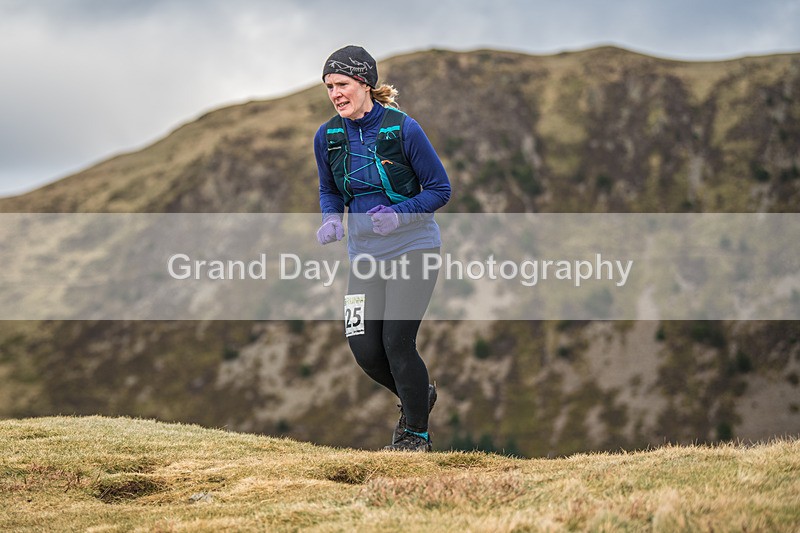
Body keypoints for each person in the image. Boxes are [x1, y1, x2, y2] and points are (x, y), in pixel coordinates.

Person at [314, 45, 451, 452]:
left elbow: (440, 189)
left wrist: (399, 215)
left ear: (365, 84)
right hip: (365, 257)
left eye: (342, 84)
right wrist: (331, 218)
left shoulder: (403, 129)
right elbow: (328, 189)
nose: (335, 94)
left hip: (414, 249)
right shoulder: (327, 136)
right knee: (364, 348)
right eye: (329, 87)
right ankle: (418, 395)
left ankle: (416, 435)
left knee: (396, 342)